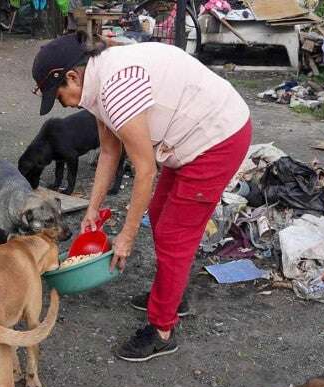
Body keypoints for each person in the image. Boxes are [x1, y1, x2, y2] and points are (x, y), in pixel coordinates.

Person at [31, 33, 252, 362]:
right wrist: (92, 209)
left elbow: (145, 170)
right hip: (190, 137)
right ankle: (171, 295)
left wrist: (126, 236)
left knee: (175, 235)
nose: (63, 103)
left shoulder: (115, 89)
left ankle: (162, 329)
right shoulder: (98, 80)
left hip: (216, 138)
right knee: (162, 217)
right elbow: (109, 151)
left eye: (59, 94)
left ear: (73, 76)